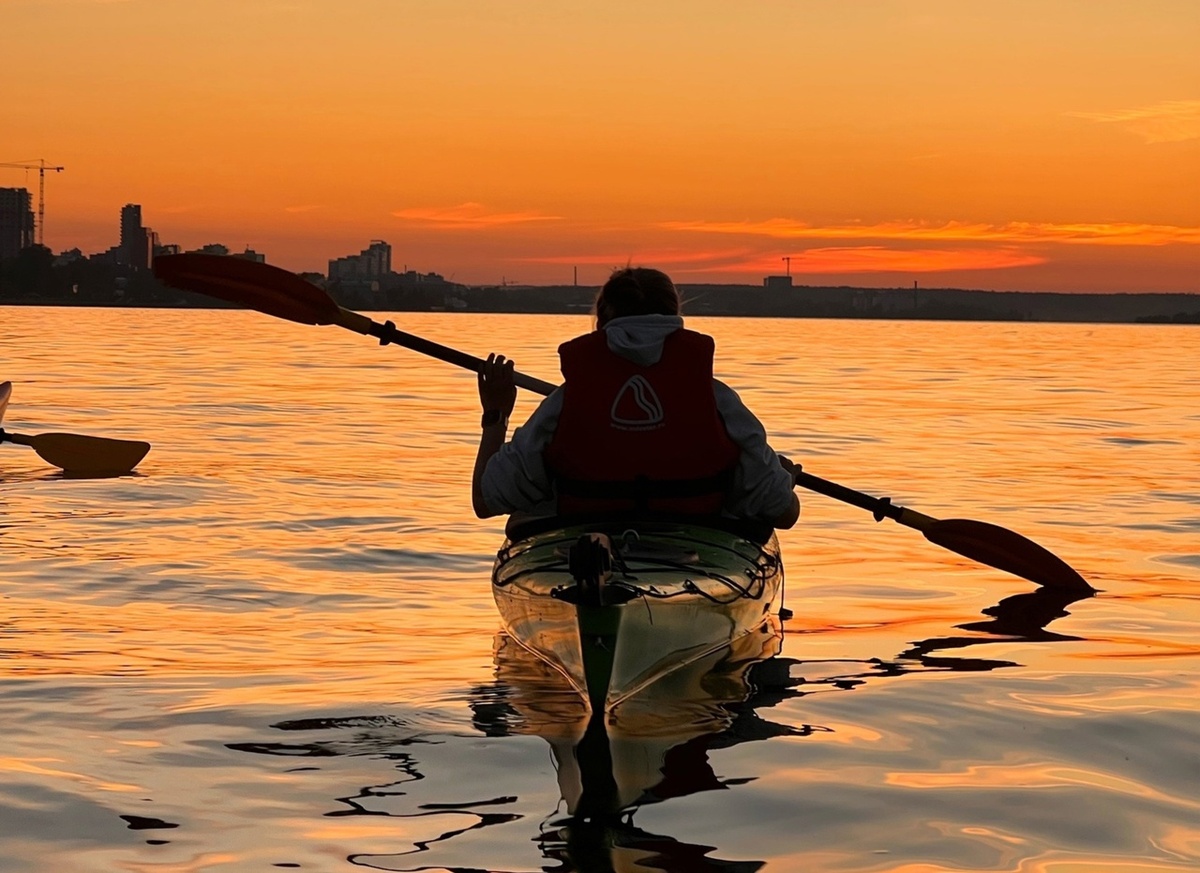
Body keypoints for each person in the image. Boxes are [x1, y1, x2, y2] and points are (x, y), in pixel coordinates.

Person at [471, 266, 800, 532]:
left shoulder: (562, 405)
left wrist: (496, 413)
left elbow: (485, 501)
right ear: (675, 321)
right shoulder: (720, 402)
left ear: (600, 323)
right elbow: (783, 516)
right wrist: (783, 484)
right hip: (693, 553)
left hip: (584, 547)